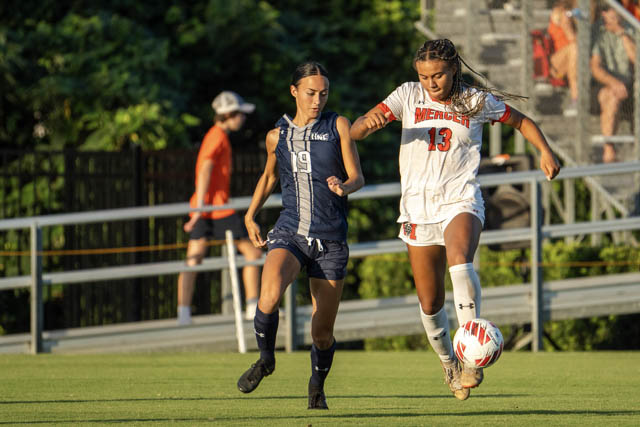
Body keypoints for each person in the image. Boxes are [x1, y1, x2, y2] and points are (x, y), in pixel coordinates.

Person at [350, 39, 560, 401]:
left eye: (438, 75)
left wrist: (545, 151)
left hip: (460, 199)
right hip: (417, 208)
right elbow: (354, 130)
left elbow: (521, 121)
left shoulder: (474, 101)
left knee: (460, 260)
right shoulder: (407, 96)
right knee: (430, 302)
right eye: (424, 76)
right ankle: (448, 362)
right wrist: (367, 125)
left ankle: (471, 355)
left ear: (453, 71)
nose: (431, 83)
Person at [236, 61, 364, 410]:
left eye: (323, 93)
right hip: (291, 231)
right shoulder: (276, 136)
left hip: (331, 240)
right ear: (294, 92)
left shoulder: (338, 125)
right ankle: (266, 360)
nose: (317, 100)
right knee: (269, 292)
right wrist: (250, 215)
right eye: (310, 93)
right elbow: (268, 177)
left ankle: (317, 386)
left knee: (321, 333)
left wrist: (344, 185)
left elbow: (358, 177)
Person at [177, 91, 263, 325]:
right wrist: (201, 207)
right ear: (228, 115)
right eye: (239, 115)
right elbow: (205, 168)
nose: (243, 119)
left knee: (193, 259)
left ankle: (183, 314)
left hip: (208, 207)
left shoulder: (215, 136)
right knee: (253, 253)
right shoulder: (217, 137)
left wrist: (199, 206)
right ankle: (252, 307)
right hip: (217, 208)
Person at [591, 3, 636, 163]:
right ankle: (609, 147)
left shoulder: (631, 28)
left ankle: (610, 147)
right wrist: (614, 82)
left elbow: (636, 59)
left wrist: (622, 34)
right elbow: (595, 67)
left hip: (630, 84)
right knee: (611, 95)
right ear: (604, 13)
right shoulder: (597, 32)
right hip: (603, 84)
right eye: (611, 10)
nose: (615, 14)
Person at [548, 0, 579, 116]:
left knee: (576, 50)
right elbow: (572, 38)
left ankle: (577, 97)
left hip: (573, 61)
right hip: (556, 65)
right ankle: (576, 98)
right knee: (574, 47)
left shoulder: (574, 11)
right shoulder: (560, 12)